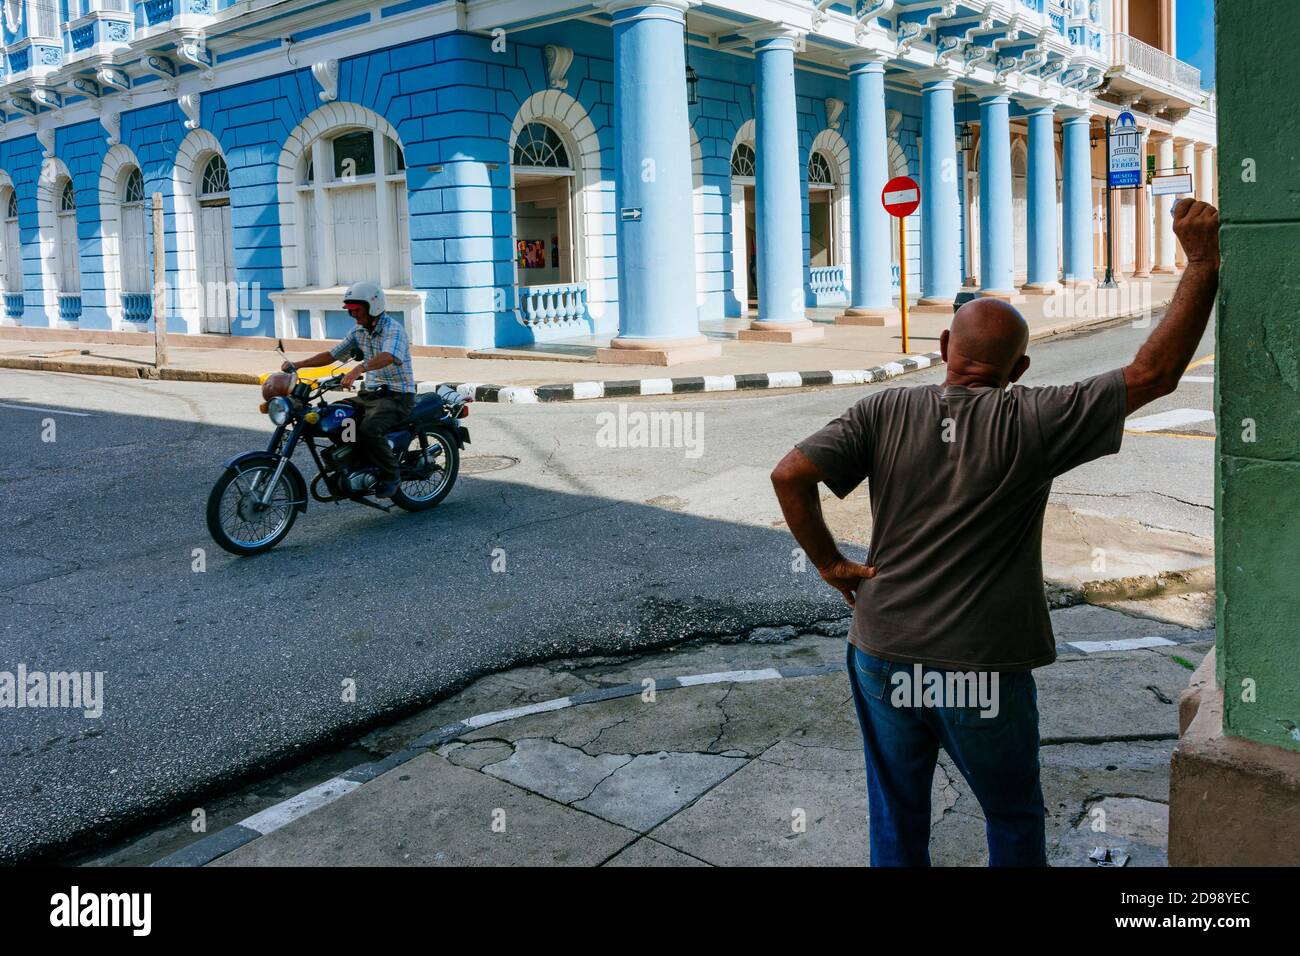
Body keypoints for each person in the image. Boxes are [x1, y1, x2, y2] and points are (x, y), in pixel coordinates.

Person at [770, 198, 1221, 866]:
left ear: (945, 349)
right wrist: (1203, 263)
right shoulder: (1036, 420)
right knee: (1011, 816)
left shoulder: (883, 408)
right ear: (1019, 371)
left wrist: (832, 565)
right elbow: (1153, 373)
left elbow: (789, 474)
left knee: (897, 817)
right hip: (981, 666)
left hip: (883, 648)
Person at [282, 281, 416, 498]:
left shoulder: (393, 330)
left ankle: (392, 475)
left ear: (373, 307)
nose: (353, 315)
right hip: (370, 394)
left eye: (357, 310)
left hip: (397, 395)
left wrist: (358, 369)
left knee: (370, 429)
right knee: (335, 418)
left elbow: (388, 356)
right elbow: (332, 355)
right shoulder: (359, 331)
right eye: (350, 311)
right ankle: (359, 462)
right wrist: (298, 364)